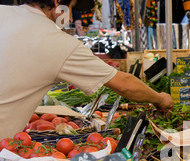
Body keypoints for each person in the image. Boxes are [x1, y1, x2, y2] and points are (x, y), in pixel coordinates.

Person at [0, 0, 174, 140]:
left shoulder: (4, 12)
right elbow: (124, 84)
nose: (70, 15)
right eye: (72, 6)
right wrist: (160, 99)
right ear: (57, 3)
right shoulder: (58, 42)